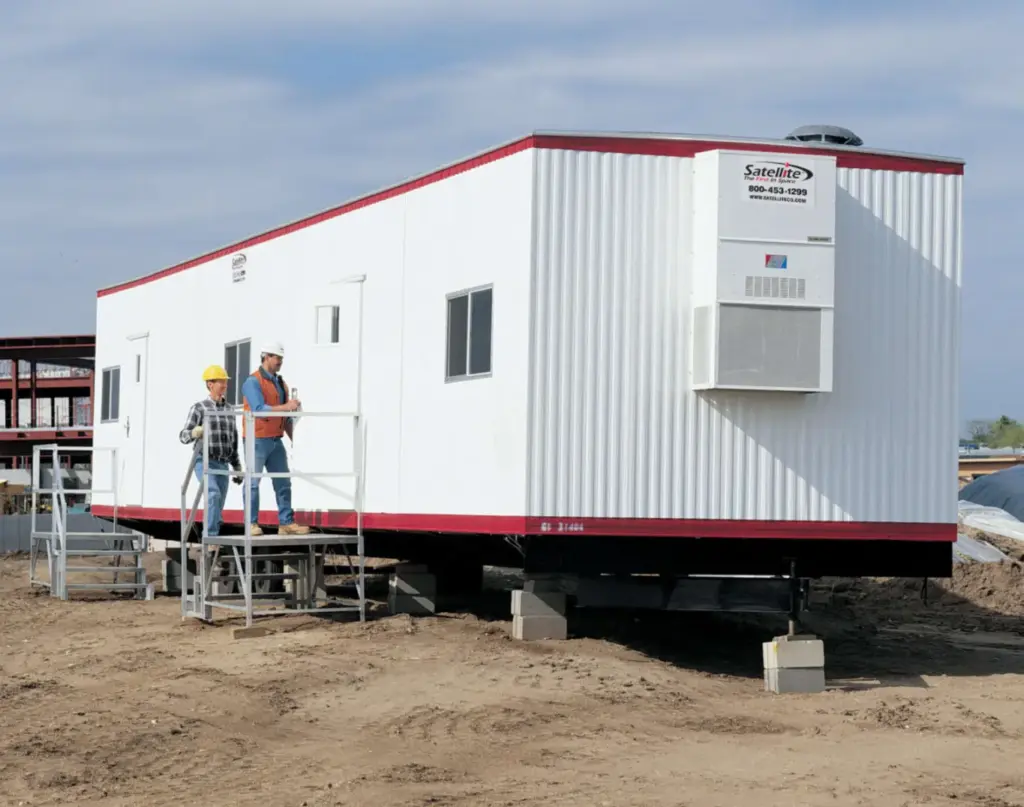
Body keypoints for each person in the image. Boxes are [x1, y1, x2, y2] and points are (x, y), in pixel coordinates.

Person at [240, 342, 311, 536]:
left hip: (275, 440)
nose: (280, 362)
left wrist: (296, 439)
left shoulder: (280, 383)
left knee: (283, 481)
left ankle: (286, 523)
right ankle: (251, 523)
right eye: (277, 358)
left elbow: (285, 417)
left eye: (281, 358)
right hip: (256, 439)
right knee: (253, 482)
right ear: (266, 357)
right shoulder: (252, 382)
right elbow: (258, 409)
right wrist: (287, 407)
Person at [179, 364, 243, 537]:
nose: (224, 384)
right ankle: (211, 537)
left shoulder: (229, 410)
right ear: (210, 384)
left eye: (225, 381)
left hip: (223, 463)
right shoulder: (199, 408)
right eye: (220, 381)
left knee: (218, 502)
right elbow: (183, 436)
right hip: (204, 460)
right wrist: (194, 432)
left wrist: (237, 467)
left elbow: (233, 440)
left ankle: (211, 534)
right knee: (213, 494)